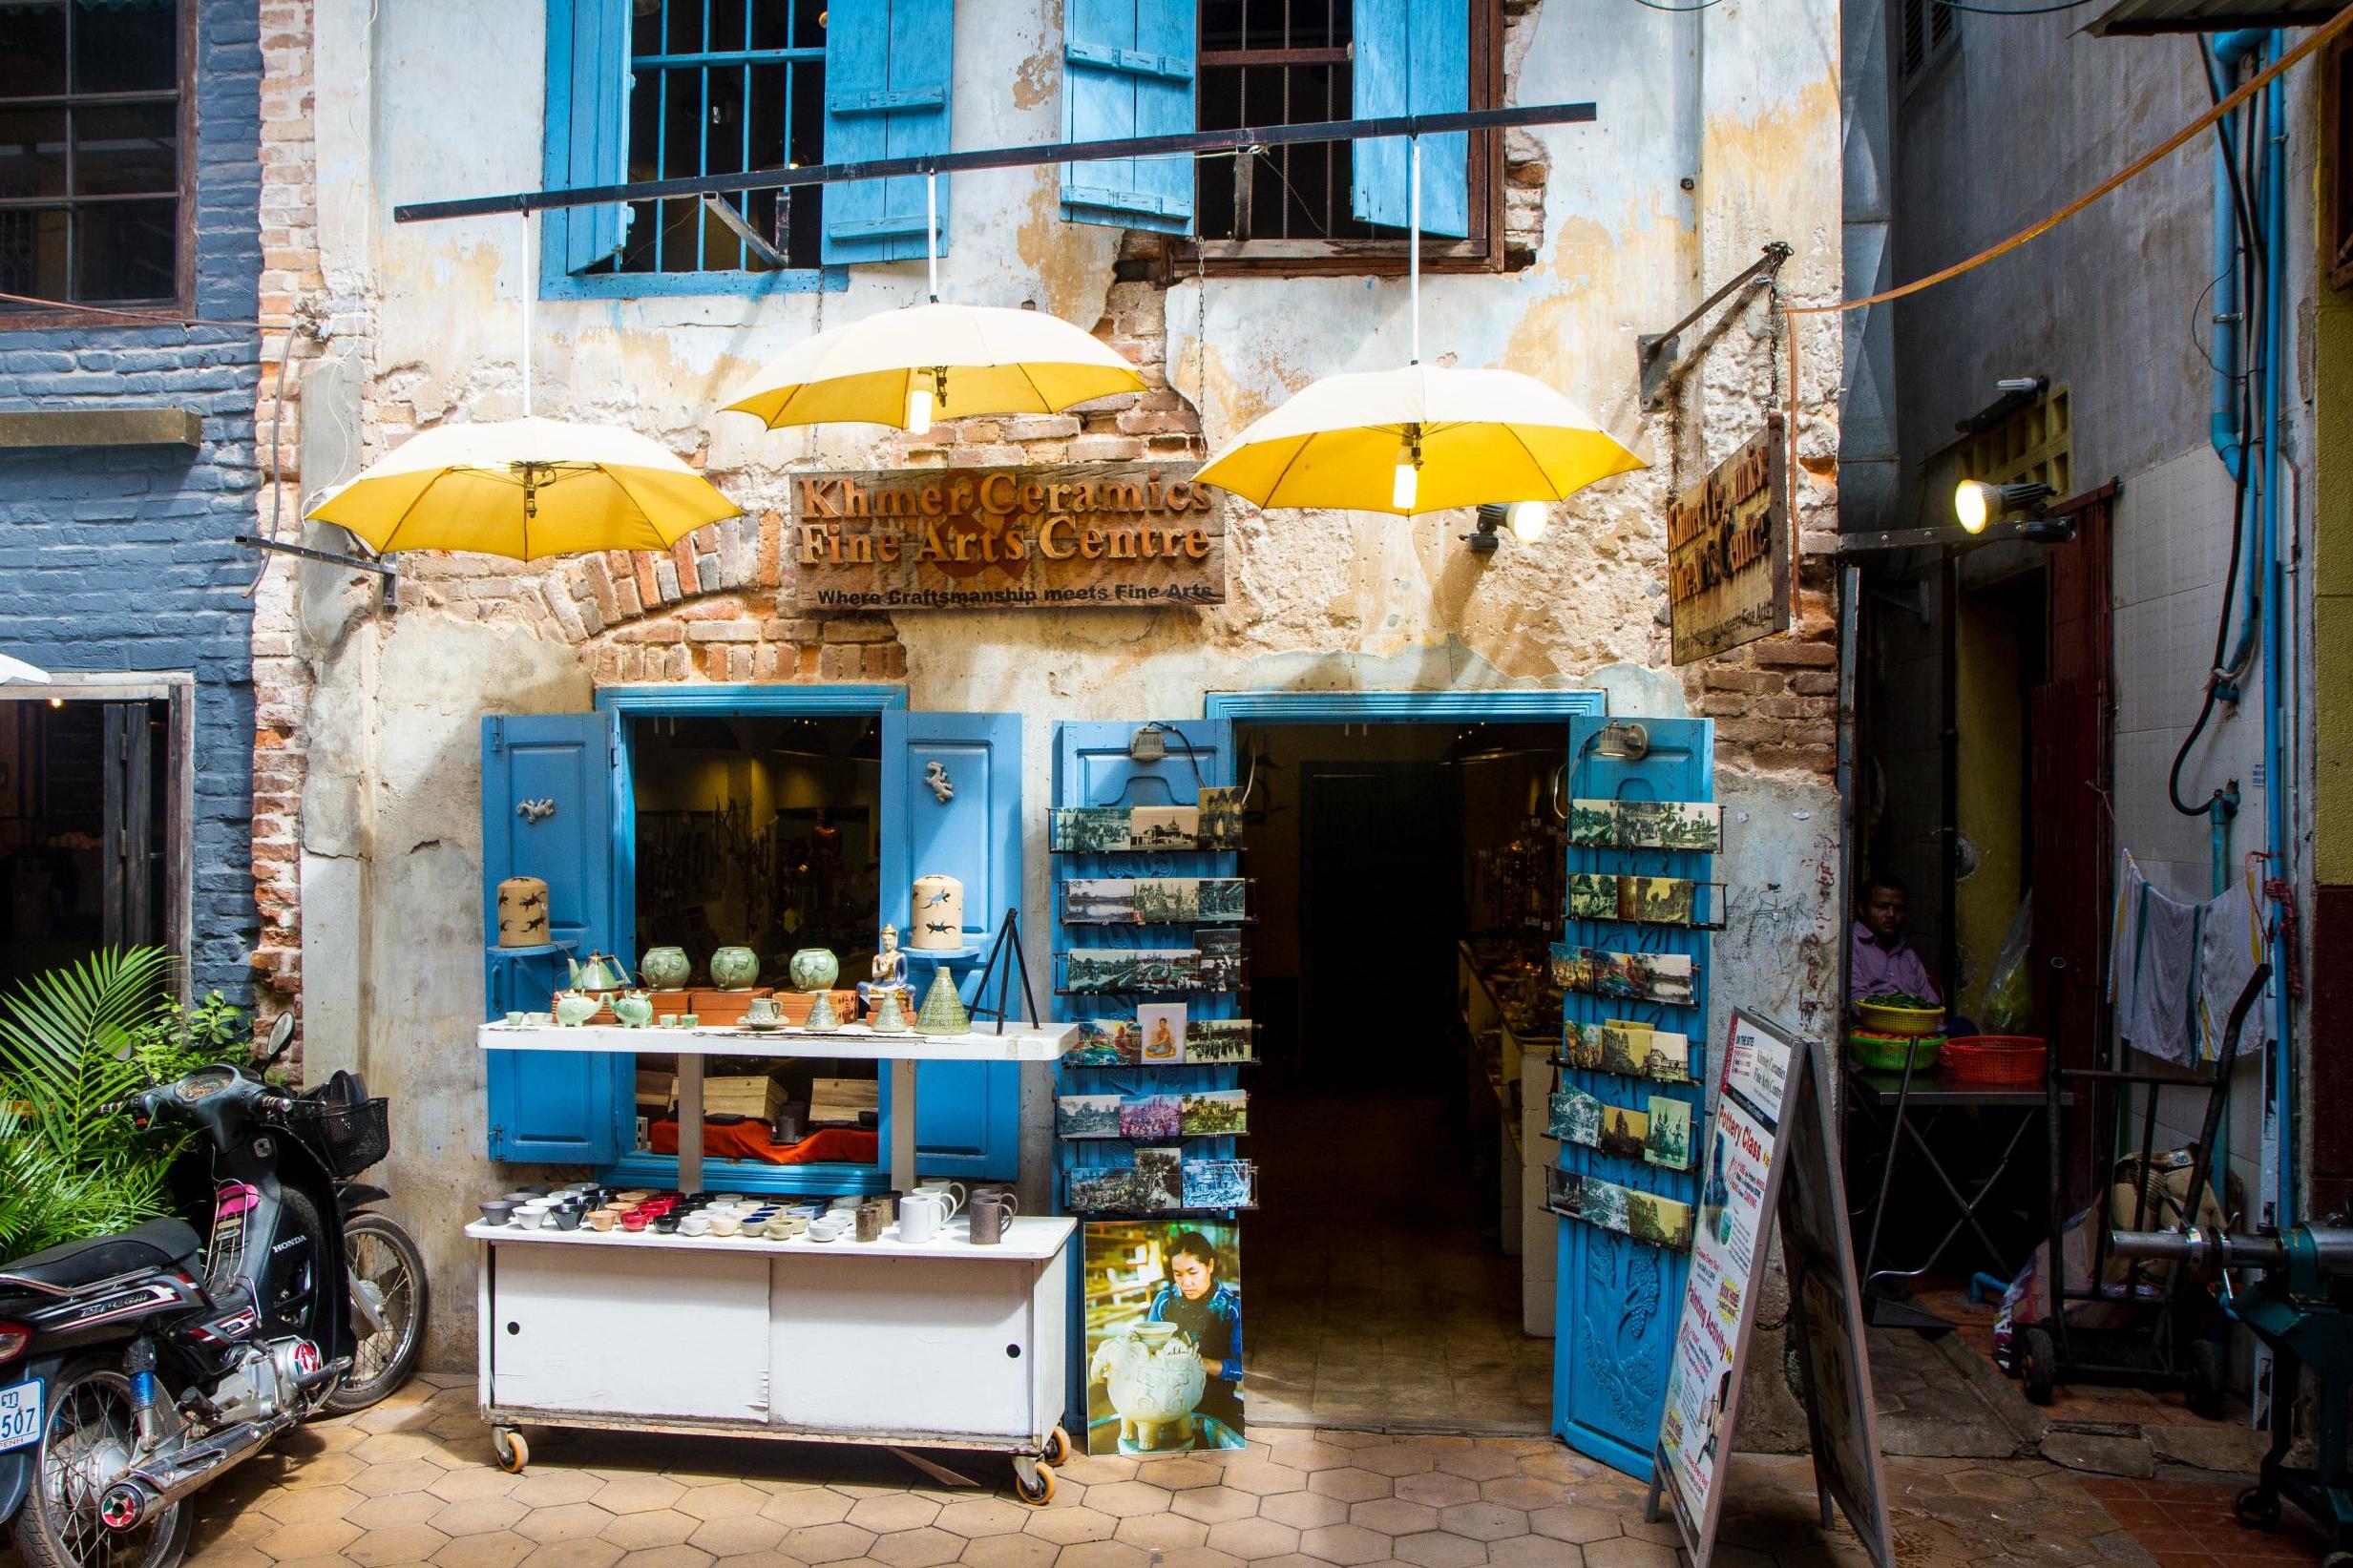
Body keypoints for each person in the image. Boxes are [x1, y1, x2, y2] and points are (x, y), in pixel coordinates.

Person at [1145, 1229, 1245, 1441]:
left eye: (1193, 1272)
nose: (1185, 1283)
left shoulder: (1231, 1307)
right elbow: (1146, 1352)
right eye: (1178, 1274)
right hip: (1170, 1404)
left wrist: (1203, 1364)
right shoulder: (1164, 1302)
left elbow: (1242, 1370)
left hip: (1217, 1403)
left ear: (1209, 1266)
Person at [1850, 874, 1943, 1009]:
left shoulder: (1907, 952)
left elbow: (1931, 1004)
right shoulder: (1850, 945)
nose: (1891, 915)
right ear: (1862, 909)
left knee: (1963, 1026)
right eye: (1882, 907)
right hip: (1871, 1025)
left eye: (1898, 909)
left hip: (1915, 1026)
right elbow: (1858, 1004)